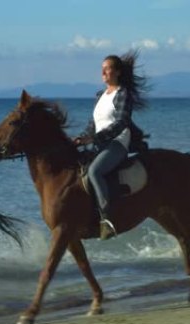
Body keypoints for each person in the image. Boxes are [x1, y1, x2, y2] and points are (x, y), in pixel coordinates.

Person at [74, 50, 148, 240]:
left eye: (107, 69)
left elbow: (122, 122)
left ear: (117, 72)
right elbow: (93, 125)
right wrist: (81, 138)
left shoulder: (123, 93)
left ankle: (106, 220)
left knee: (95, 172)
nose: (104, 73)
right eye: (102, 70)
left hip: (117, 143)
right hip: (99, 144)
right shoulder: (100, 95)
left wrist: (95, 138)